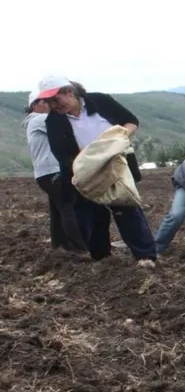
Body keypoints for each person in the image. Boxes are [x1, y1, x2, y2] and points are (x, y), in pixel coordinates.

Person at [38, 76, 157, 267]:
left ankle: (146, 257)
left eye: (56, 99)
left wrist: (119, 139)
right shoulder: (54, 120)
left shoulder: (100, 101)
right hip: (84, 173)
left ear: (69, 92)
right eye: (49, 102)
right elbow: (61, 154)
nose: (53, 105)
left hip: (117, 169)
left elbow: (131, 121)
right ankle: (102, 259)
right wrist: (88, 166)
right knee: (90, 217)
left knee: (127, 211)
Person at [23, 89, 88, 255]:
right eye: (45, 102)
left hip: (45, 173)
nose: (50, 105)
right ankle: (81, 247)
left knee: (58, 208)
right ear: (34, 106)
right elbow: (67, 127)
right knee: (69, 207)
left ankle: (59, 244)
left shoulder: (34, 121)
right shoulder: (40, 119)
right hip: (52, 172)